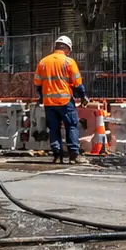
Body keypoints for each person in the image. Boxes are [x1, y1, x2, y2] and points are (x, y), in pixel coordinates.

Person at [34, 35, 90, 164]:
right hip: (65, 102)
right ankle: (74, 156)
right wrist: (83, 96)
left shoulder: (43, 62)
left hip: (49, 103)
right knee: (72, 126)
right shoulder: (69, 62)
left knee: (54, 128)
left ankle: (57, 156)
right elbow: (77, 83)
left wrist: (42, 97)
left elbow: (37, 83)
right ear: (68, 49)